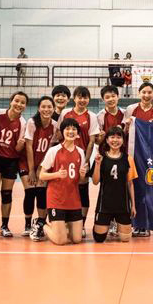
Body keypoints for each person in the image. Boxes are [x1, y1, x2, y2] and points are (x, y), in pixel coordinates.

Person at [58, 86, 101, 238]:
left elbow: (91, 141)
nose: (82, 100)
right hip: (65, 156)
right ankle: (64, 223)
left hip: (82, 157)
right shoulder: (65, 113)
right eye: (79, 97)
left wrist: (86, 161)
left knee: (82, 191)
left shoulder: (92, 116)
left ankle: (81, 225)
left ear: (88, 99)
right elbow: (59, 135)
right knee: (66, 189)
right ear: (74, 98)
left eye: (85, 97)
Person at [0, 91, 28, 237]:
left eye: (22, 103)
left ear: (25, 106)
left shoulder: (23, 123)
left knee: (7, 194)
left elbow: (17, 149)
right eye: (16, 101)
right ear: (11, 101)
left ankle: (5, 226)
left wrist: (21, 145)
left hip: (11, 160)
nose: (19, 104)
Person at [39, 118, 87, 245]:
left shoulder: (81, 152)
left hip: (73, 199)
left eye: (74, 129)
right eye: (67, 129)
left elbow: (79, 180)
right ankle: (42, 225)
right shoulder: (54, 151)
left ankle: (61, 227)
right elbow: (42, 175)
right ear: (62, 132)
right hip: (56, 199)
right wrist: (57, 174)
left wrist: (82, 175)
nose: (70, 131)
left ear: (77, 133)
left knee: (76, 239)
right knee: (61, 241)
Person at [124, 82, 153, 237]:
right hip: (133, 155)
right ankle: (133, 223)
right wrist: (127, 126)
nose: (146, 95)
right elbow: (125, 132)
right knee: (132, 187)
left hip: (149, 156)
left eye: (149, 92)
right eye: (144, 92)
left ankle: (146, 224)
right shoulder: (131, 109)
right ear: (139, 93)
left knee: (148, 190)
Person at [18, 96, 57, 241]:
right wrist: (32, 170)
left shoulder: (54, 125)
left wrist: (42, 169)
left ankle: (40, 223)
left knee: (41, 193)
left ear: (53, 109)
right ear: (38, 108)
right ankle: (28, 225)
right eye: (43, 107)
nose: (46, 109)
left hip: (43, 164)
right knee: (29, 192)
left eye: (49, 107)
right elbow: (28, 147)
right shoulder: (32, 122)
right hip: (27, 162)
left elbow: (52, 149)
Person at [92, 127, 137, 243]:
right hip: (105, 204)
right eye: (112, 137)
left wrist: (133, 206)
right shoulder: (101, 157)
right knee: (99, 238)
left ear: (123, 140)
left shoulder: (128, 159)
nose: (115, 140)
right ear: (107, 140)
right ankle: (107, 222)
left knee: (125, 239)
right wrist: (97, 164)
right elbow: (95, 182)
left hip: (122, 205)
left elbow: (130, 183)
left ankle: (116, 223)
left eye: (118, 137)